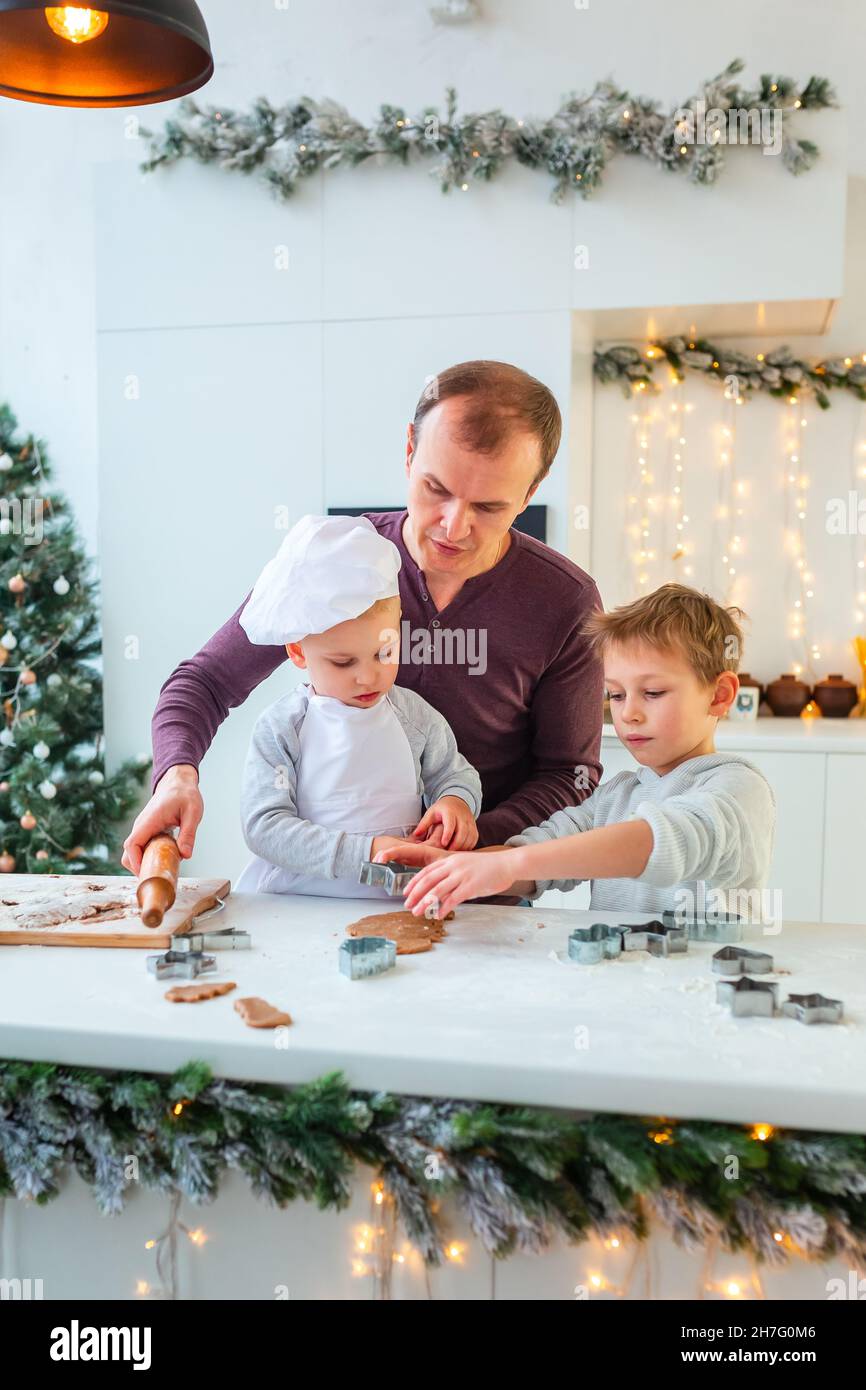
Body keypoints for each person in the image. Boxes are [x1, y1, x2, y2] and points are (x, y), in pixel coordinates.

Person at [121, 360, 604, 875]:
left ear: (531, 492)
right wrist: (176, 774)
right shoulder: (333, 560)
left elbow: (568, 774)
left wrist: (472, 845)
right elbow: (206, 681)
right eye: (436, 490)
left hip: (484, 889)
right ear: (409, 452)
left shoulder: (564, 600)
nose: (453, 526)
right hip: (325, 883)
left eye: (487, 506)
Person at [381, 584, 777, 920]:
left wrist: (508, 865)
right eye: (616, 695)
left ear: (720, 695)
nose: (629, 714)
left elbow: (665, 841)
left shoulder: (738, 788)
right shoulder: (615, 796)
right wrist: (461, 866)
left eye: (653, 693)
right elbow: (538, 855)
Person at [235, 514, 481, 898]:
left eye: (384, 653)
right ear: (298, 651)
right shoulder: (283, 728)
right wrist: (366, 853)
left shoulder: (414, 716)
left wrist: (455, 803)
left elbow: (454, 773)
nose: (368, 677)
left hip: (397, 901)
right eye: (343, 662)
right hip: (296, 903)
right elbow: (264, 827)